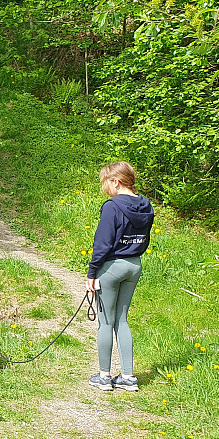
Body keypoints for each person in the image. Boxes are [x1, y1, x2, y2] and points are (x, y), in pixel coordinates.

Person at [86, 161, 154, 392]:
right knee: (122, 320)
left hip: (112, 268)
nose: (105, 189)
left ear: (115, 181)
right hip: (134, 265)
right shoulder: (146, 205)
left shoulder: (112, 207)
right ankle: (128, 377)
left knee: (106, 322)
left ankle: (104, 377)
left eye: (106, 183)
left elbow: (102, 244)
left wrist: (92, 272)